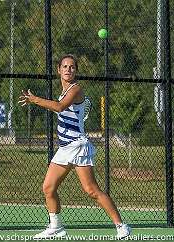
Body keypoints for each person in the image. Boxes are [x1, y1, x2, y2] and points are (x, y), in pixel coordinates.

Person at [18, 54, 131, 240]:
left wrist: (34, 99)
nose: (68, 69)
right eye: (65, 66)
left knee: (91, 190)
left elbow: (60, 107)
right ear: (59, 70)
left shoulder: (75, 89)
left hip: (78, 147)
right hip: (64, 148)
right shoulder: (62, 92)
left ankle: (121, 226)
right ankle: (56, 227)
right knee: (48, 188)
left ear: (75, 71)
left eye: (72, 67)